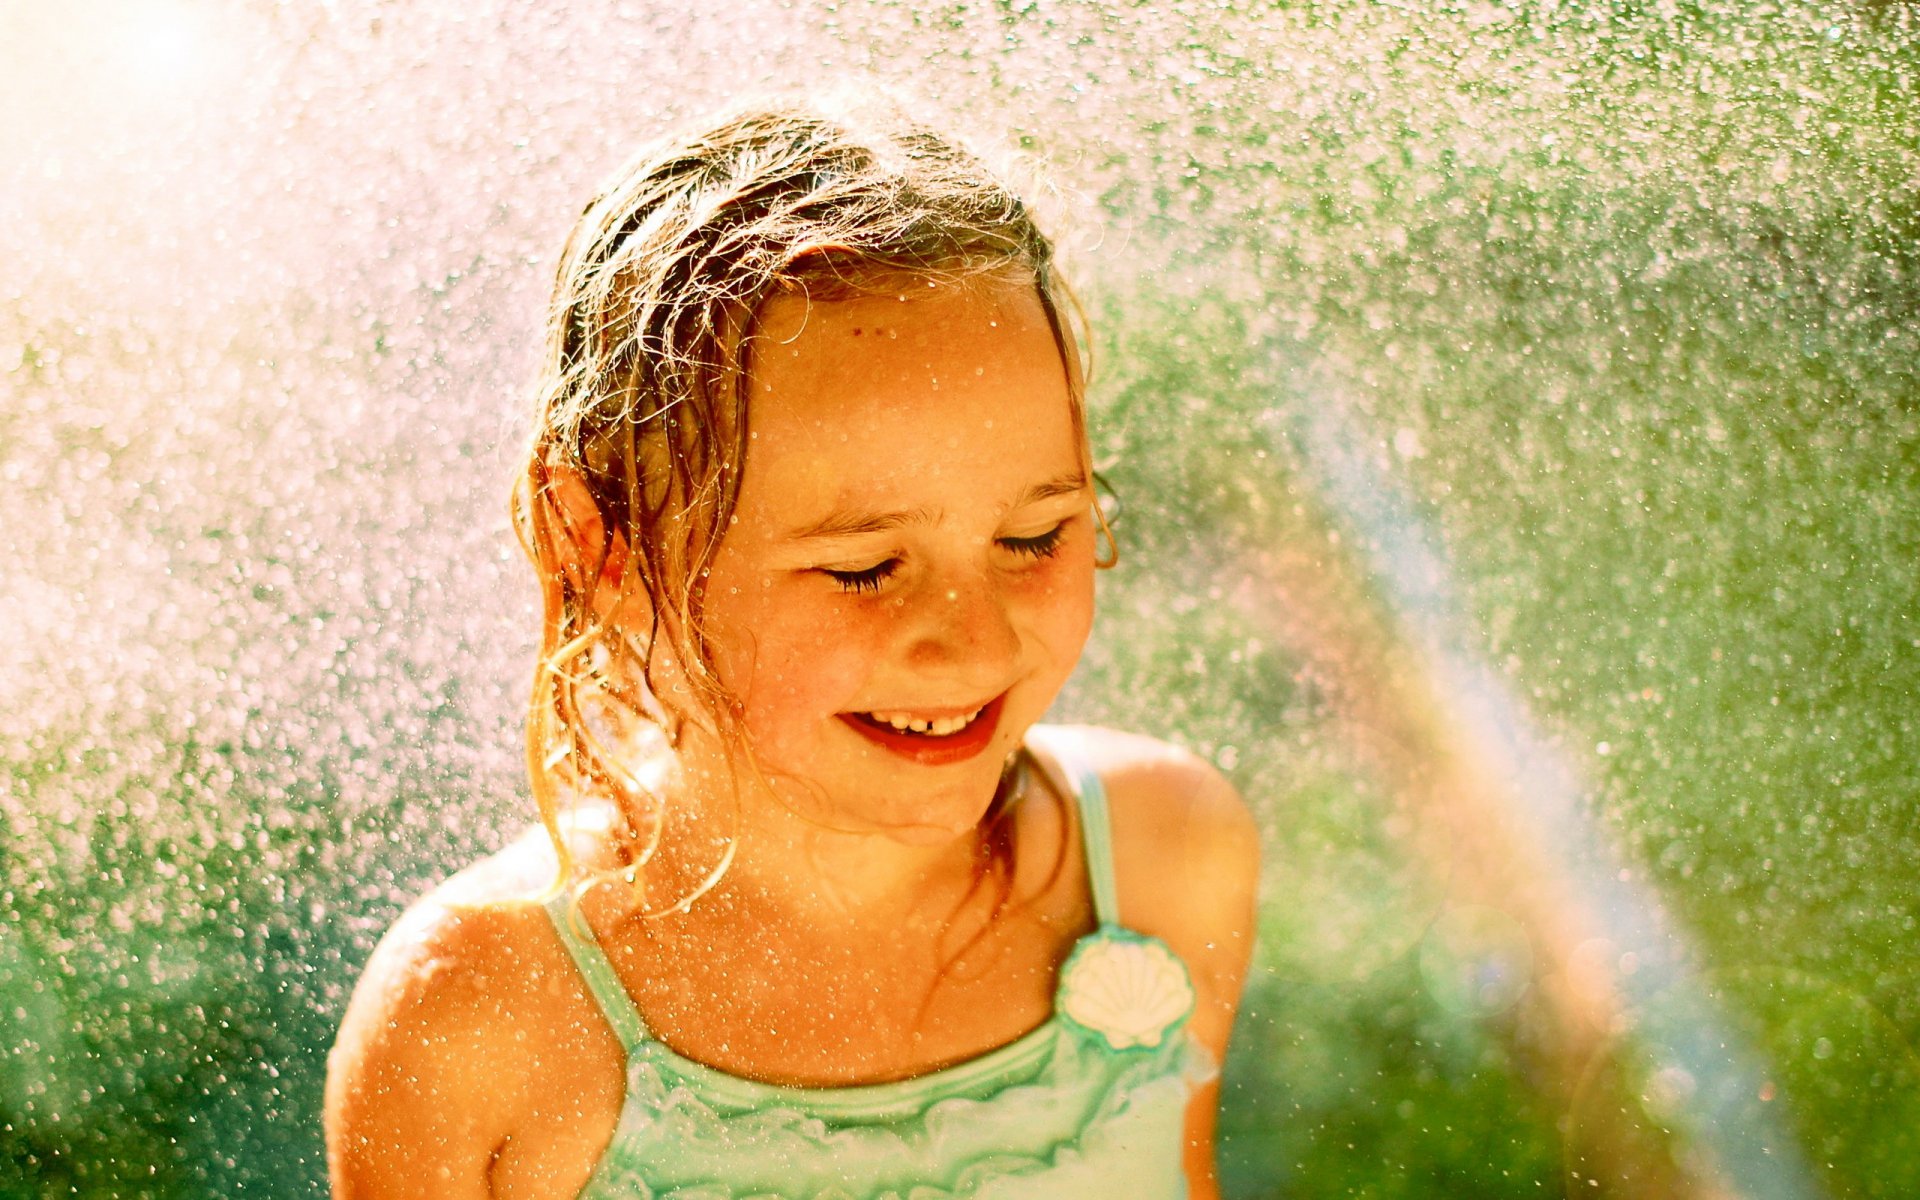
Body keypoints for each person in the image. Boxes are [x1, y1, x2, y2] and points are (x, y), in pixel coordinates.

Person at [324, 100, 1260, 1200]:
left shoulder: (1163, 860)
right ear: (600, 545)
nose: (977, 640)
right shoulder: (482, 1019)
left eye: (1033, 537)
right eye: (864, 567)